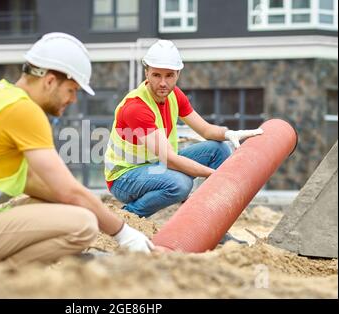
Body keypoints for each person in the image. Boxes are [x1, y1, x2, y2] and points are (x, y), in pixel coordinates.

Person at [0, 32, 154, 267]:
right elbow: (68, 191)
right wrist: (124, 234)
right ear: (50, 81)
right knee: (83, 224)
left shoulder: (2, 96)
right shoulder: (23, 111)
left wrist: (85, 206)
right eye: (71, 90)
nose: (73, 100)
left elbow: (37, 183)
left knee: (70, 210)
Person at [104, 40, 263, 244]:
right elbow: (169, 159)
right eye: (156, 75)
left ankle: (212, 227)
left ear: (178, 74)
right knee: (180, 184)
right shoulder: (136, 107)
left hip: (155, 166)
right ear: (146, 73)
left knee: (219, 149)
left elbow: (206, 130)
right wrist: (215, 175)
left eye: (169, 75)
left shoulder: (174, 96)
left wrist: (229, 133)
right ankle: (127, 218)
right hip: (124, 177)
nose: (163, 83)